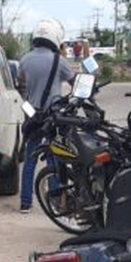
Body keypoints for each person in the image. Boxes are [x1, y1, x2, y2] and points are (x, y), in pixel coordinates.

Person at [17, 18, 76, 213]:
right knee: (54, 158)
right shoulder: (59, 61)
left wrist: (31, 112)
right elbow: (75, 82)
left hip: (32, 117)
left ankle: (25, 203)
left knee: (30, 159)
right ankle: (56, 201)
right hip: (53, 118)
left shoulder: (24, 60)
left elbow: (21, 90)